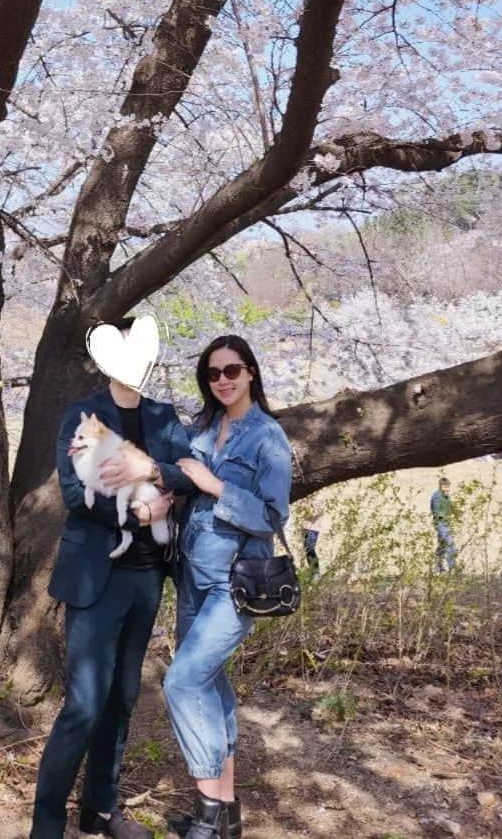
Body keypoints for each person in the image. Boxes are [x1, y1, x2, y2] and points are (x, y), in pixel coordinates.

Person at [31, 329, 196, 839]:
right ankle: (47, 827)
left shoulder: (165, 417)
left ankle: (100, 811)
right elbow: (74, 493)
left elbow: (189, 473)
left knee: (123, 697)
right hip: (96, 577)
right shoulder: (82, 416)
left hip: (147, 576)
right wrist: (140, 512)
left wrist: (154, 468)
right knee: (83, 703)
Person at [164, 335, 292, 839]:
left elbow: (271, 514)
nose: (222, 380)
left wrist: (216, 485)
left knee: (183, 681)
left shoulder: (268, 437)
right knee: (211, 687)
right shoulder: (204, 428)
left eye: (232, 370)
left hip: (234, 583)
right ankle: (224, 818)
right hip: (192, 577)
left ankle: (210, 814)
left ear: (251, 373)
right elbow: (184, 489)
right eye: (213, 373)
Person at [430, 477, 456, 574]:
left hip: (446, 523)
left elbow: (450, 508)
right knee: (450, 544)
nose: (448, 488)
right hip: (441, 523)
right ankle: (452, 568)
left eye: (448, 486)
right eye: (445, 486)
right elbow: (437, 512)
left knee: (442, 546)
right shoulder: (437, 496)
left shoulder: (446, 496)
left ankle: (438, 568)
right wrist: (446, 517)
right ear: (441, 486)